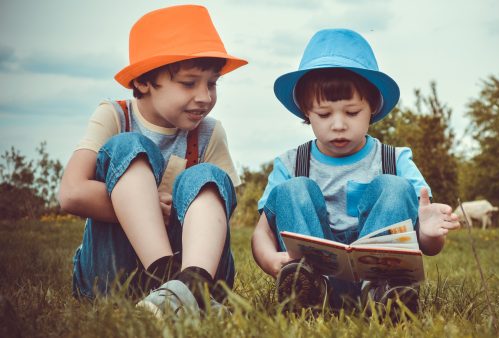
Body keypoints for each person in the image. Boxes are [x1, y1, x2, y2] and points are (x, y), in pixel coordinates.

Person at [251, 29, 460, 315]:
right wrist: (269, 259)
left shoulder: (395, 159)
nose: (338, 125)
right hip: (315, 276)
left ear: (372, 107)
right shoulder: (290, 163)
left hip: (379, 277)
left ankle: (385, 296)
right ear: (306, 111)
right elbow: (261, 232)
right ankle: (306, 294)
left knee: (395, 187)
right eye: (324, 114)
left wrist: (430, 233)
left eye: (351, 113)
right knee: (292, 189)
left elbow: (428, 245)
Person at [59, 5, 247, 317]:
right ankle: (170, 281)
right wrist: (145, 207)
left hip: (194, 261)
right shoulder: (115, 116)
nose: (204, 96)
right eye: (189, 83)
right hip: (113, 273)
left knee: (207, 176)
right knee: (129, 146)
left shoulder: (210, 132)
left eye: (212, 83)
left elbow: (223, 204)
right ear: (145, 81)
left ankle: (193, 284)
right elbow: (72, 193)